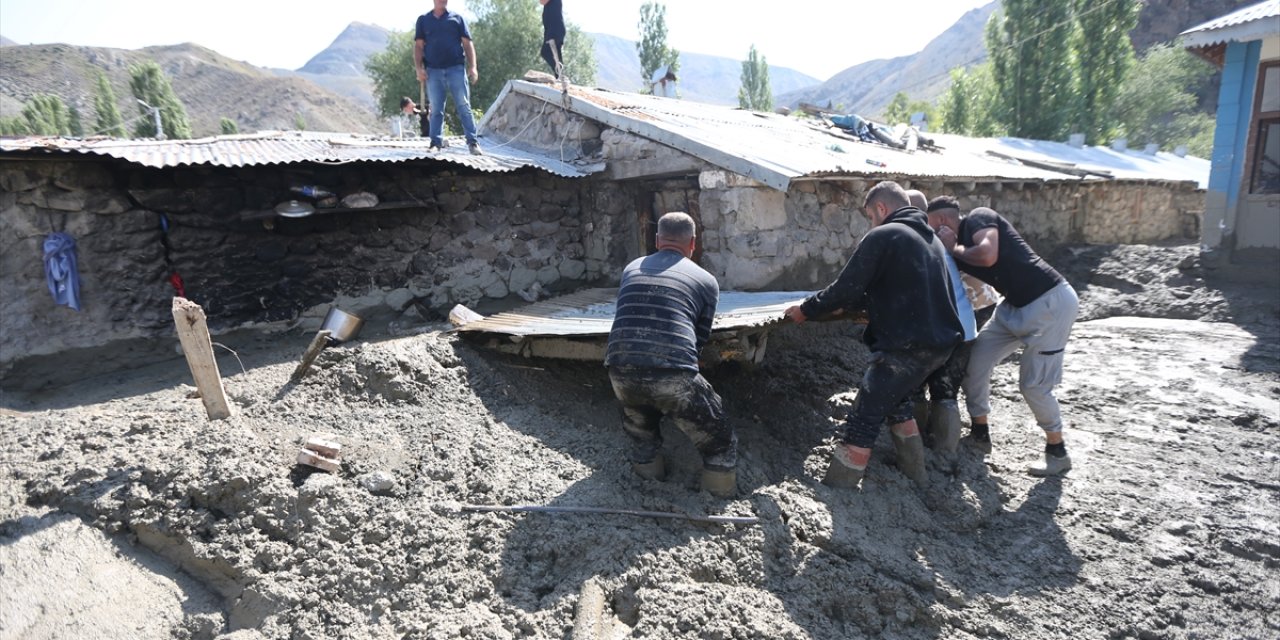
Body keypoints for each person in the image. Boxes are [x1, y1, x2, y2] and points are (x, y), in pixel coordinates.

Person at [784, 181, 964, 489]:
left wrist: (806, 309)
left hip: (907, 347)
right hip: (941, 344)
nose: (871, 222)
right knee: (897, 403)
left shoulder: (885, 234)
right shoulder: (929, 238)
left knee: (863, 418)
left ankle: (839, 489)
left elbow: (845, 289)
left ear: (881, 208)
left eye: (870, 216)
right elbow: (903, 288)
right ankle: (916, 476)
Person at [929, 200, 1079, 476]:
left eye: (929, 226)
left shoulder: (978, 217)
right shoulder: (957, 250)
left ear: (941, 222)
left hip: (1050, 304)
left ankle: (1057, 452)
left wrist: (952, 247)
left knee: (1034, 386)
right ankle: (980, 434)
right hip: (1013, 307)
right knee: (974, 364)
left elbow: (987, 255)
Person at [605, 212, 736, 498]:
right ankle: (718, 497)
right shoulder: (705, 280)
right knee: (720, 441)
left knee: (642, 435)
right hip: (672, 371)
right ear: (692, 244)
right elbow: (699, 340)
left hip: (619, 368)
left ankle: (648, 487)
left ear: (656, 240)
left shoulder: (631, 268)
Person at [414, 0, 483, 155]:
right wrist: (419, 69)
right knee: (436, 108)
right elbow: (419, 46)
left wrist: (473, 67)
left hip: (456, 69)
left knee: (464, 105)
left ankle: (473, 142)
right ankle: (435, 143)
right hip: (433, 71)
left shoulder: (457, 19)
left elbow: (467, 43)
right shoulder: (423, 20)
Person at [539, 0, 566, 78]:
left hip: (554, 29)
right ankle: (560, 76)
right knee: (556, 54)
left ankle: (559, 70)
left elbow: (542, 1)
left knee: (545, 52)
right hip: (555, 29)